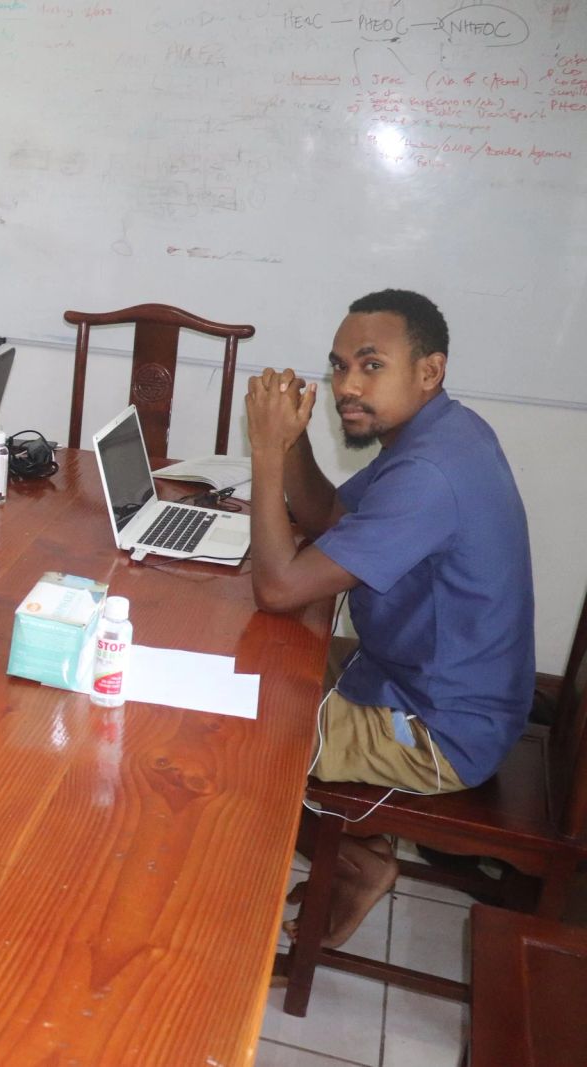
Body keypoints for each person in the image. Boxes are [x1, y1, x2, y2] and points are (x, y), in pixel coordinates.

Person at [244, 289, 533, 948]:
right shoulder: (442, 431)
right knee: (254, 664)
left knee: (242, 734)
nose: (347, 383)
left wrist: (263, 454)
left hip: (441, 729)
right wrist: (289, 445)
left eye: (371, 365)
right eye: (339, 365)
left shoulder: (431, 471)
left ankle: (355, 856)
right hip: (419, 675)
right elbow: (332, 521)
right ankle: (355, 851)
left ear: (429, 371)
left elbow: (279, 586)